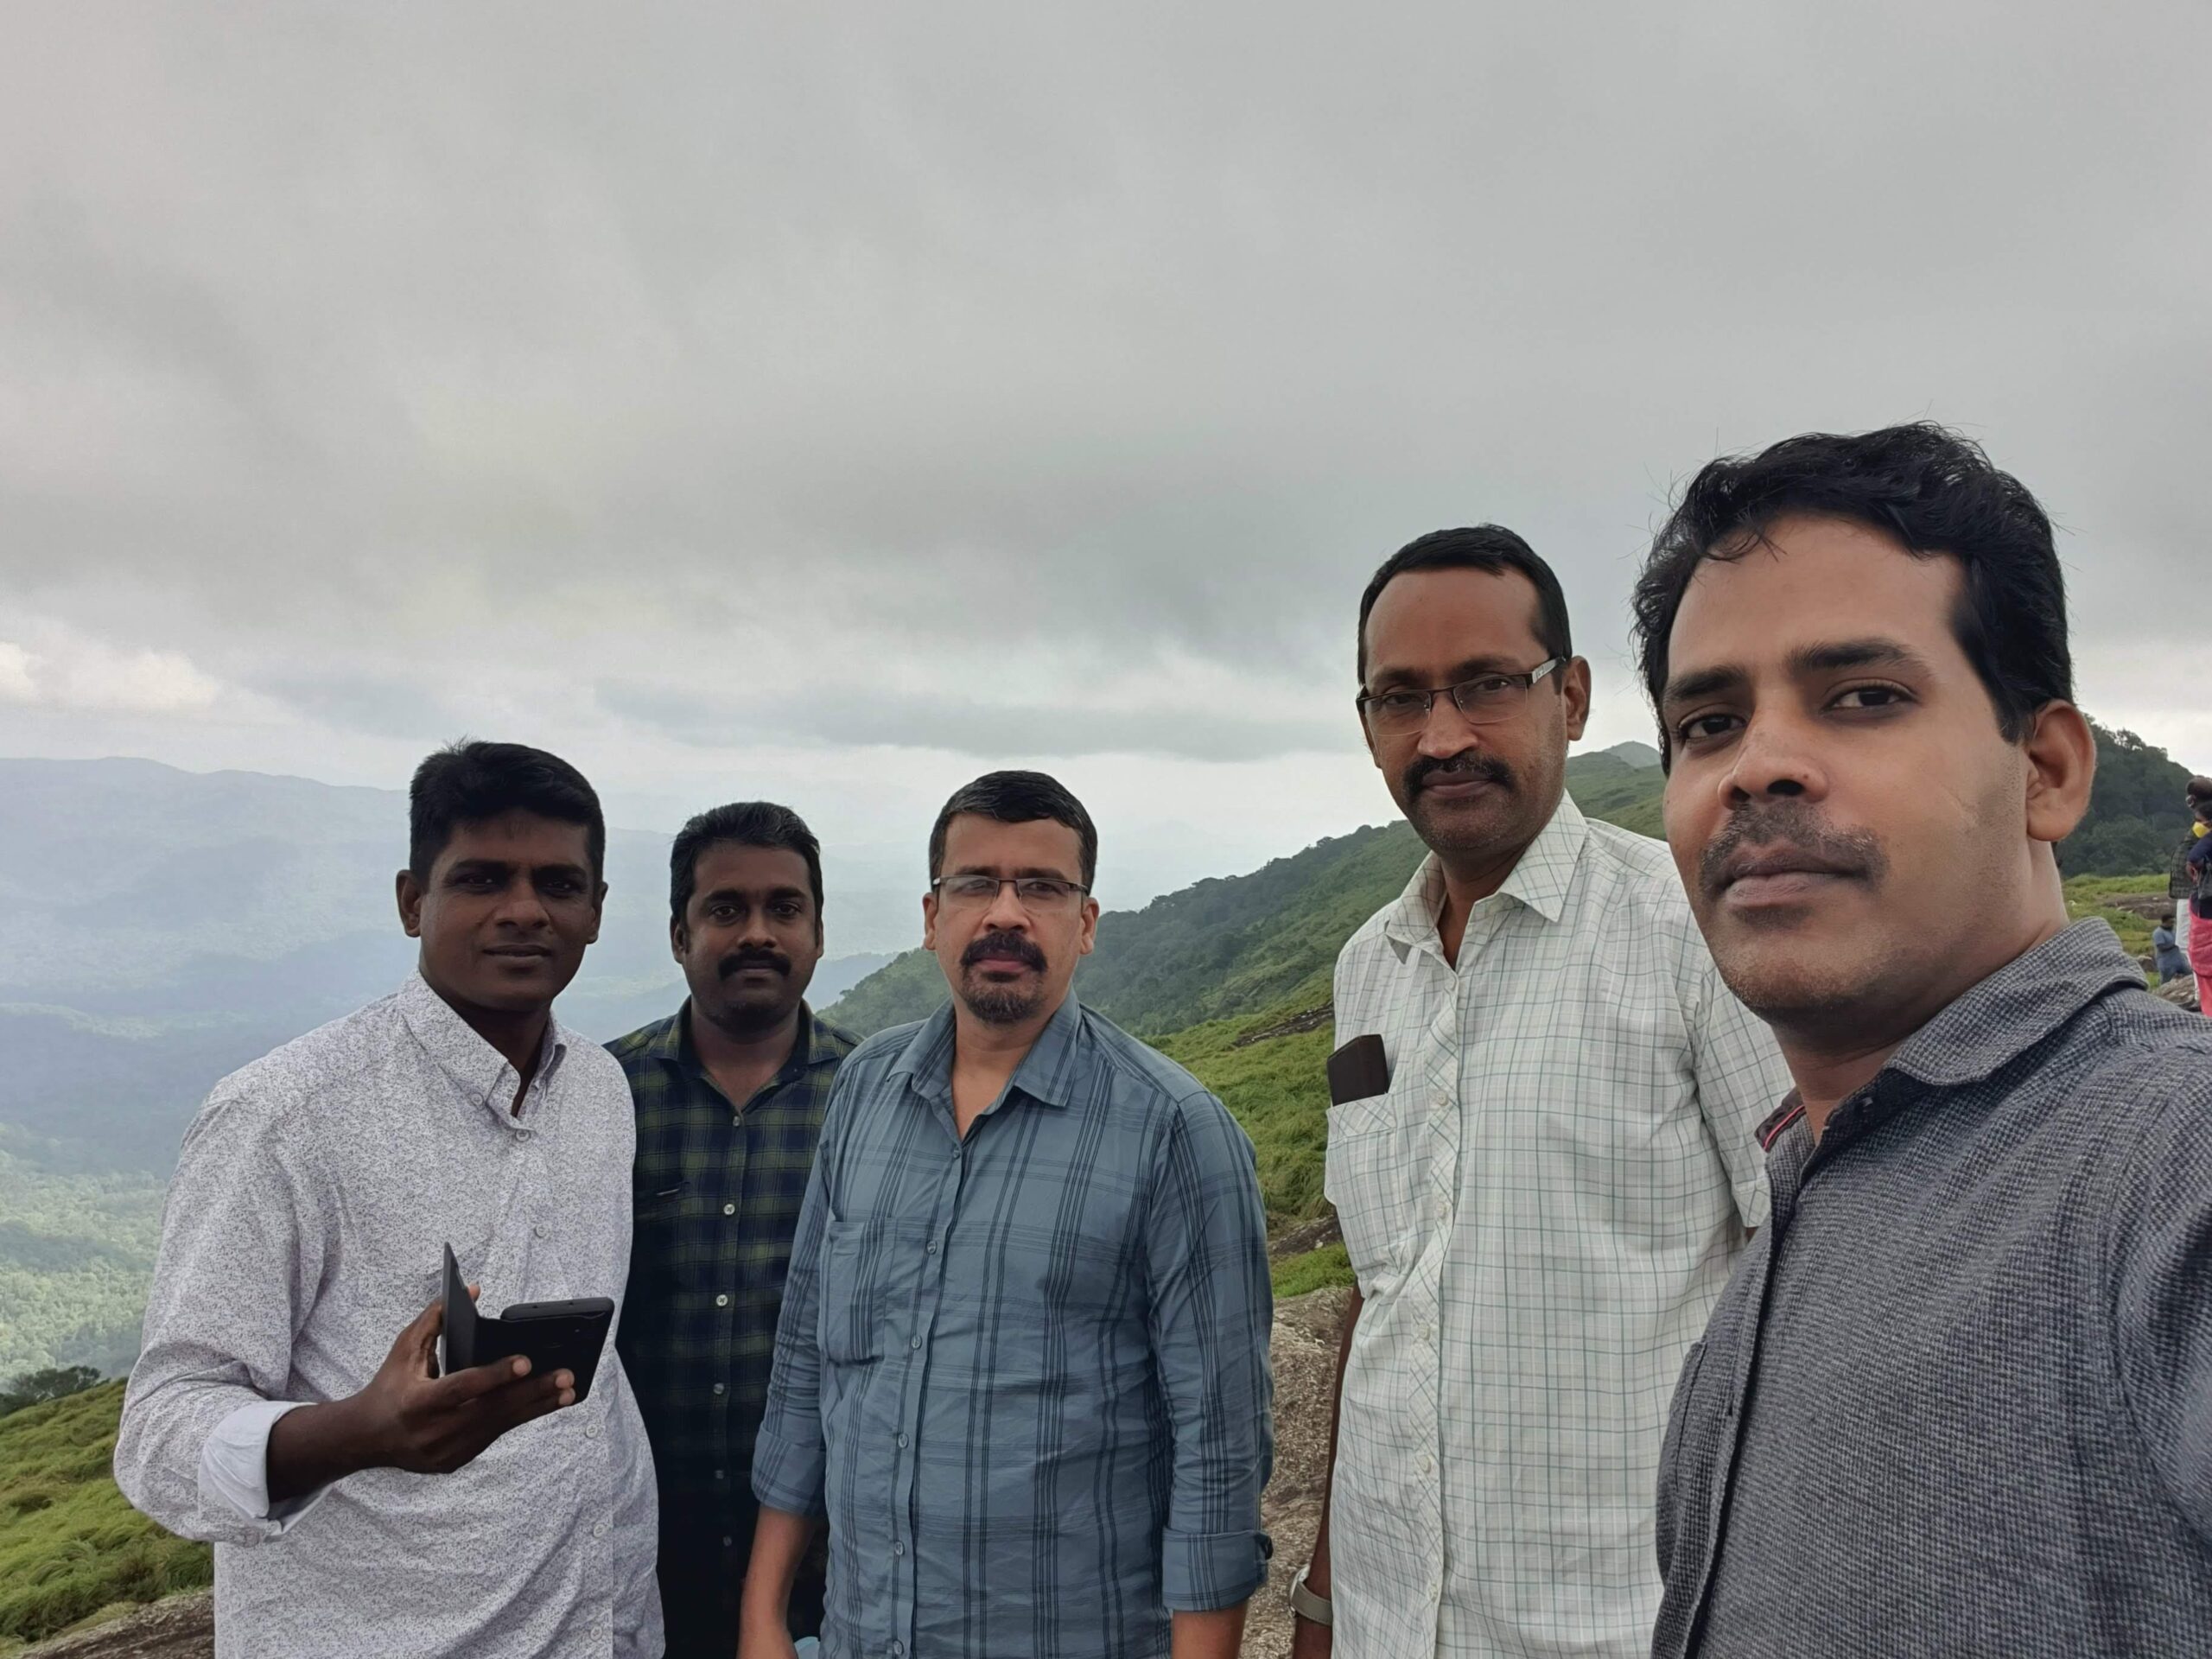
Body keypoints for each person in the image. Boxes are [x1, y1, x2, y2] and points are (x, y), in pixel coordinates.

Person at [1632, 423, 2212, 1656]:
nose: (1758, 767)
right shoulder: (1805, 1197)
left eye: (1865, 698)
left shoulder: (2167, 1164)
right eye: (1709, 723)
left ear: (2045, 770)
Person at [1294, 529, 1790, 1659]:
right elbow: (1383, 1291)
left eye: (1486, 684)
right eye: (1402, 698)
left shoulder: (1690, 929)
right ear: (1367, 725)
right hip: (1385, 1623)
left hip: (1616, 1624)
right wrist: (1323, 1597)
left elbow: (1810, 1267)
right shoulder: (1369, 968)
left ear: (1569, 698)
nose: (1443, 736)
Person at [114, 741, 663, 1658]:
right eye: (482, 879)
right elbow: (159, 1431)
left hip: (595, 1625)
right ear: (413, 901)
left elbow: (594, 1383)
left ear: (596, 911)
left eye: (558, 884)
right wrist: (355, 1434)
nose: (524, 910)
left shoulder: (601, 1092)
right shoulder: (285, 1116)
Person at [739, 771, 1274, 1659]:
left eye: (1042, 888)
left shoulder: (1175, 1132)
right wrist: (763, 1617)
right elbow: (805, 1364)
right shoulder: (865, 1092)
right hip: (863, 1634)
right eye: (975, 884)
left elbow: (1219, 1450)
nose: (1006, 914)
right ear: (932, 915)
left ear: (1086, 923)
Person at [609, 802, 855, 1657]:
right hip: (636, 1574)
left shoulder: (879, 1104)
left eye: (784, 908)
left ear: (817, 933)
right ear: (680, 934)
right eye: (726, 909)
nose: (757, 933)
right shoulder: (604, 1100)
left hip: (828, 1582)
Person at [2151, 906, 2191, 984]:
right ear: (2165, 922)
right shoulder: (2158, 933)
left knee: (2190, 975)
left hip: (2180, 960)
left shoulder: (2174, 930)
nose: (2173, 924)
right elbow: (2161, 947)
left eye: (2173, 922)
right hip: (2167, 962)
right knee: (2166, 981)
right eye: (2171, 922)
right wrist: (2175, 944)